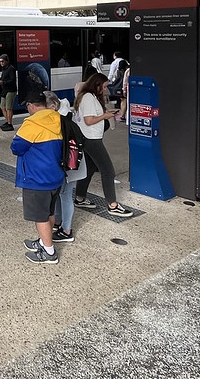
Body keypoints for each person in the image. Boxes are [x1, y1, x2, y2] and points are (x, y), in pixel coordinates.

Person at [11, 91, 64, 264]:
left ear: (31, 106)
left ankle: (49, 253)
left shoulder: (32, 124)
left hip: (37, 179)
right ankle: (43, 241)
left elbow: (16, 147)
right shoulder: (56, 119)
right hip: (54, 177)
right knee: (49, 212)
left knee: (40, 217)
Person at [73, 73, 131, 217]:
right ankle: (112, 205)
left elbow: (91, 116)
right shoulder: (88, 97)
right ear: (97, 84)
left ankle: (80, 197)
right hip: (91, 139)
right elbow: (89, 120)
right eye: (104, 86)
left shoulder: (88, 96)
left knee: (91, 167)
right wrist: (105, 116)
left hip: (89, 137)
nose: (105, 89)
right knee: (108, 170)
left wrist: (105, 112)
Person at [44, 91, 86, 243]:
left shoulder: (63, 120)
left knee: (66, 195)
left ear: (54, 106)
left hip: (69, 165)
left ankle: (67, 230)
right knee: (60, 194)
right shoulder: (65, 112)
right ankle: (59, 222)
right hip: (70, 163)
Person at [0, 53, 17, 131]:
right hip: (5, 90)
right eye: (0, 61)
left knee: (8, 108)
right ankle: (7, 121)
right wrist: (0, 79)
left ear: (7, 61)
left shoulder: (11, 68)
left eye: (3, 61)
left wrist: (3, 82)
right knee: (2, 106)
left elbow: (12, 80)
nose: (1, 63)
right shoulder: (4, 69)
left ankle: (10, 123)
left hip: (10, 90)